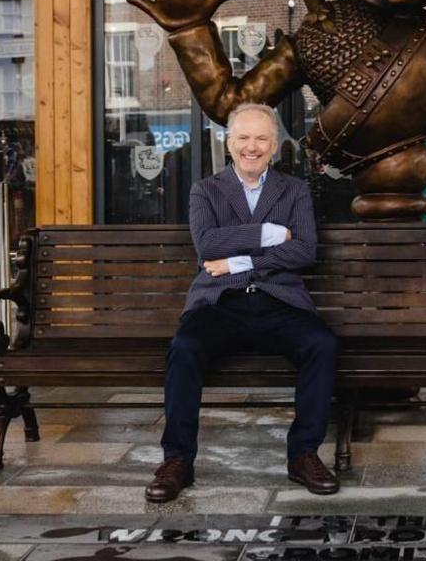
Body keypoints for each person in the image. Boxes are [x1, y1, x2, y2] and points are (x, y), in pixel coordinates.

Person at [145, 103, 339, 502]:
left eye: (262, 138)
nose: (253, 147)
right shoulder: (206, 190)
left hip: (278, 300)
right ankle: (177, 459)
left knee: (322, 344)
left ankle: (303, 454)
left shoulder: (294, 190)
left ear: (274, 145)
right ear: (229, 143)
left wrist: (240, 260)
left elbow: (304, 250)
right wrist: (270, 232)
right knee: (184, 348)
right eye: (244, 138)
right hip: (220, 302)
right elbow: (207, 244)